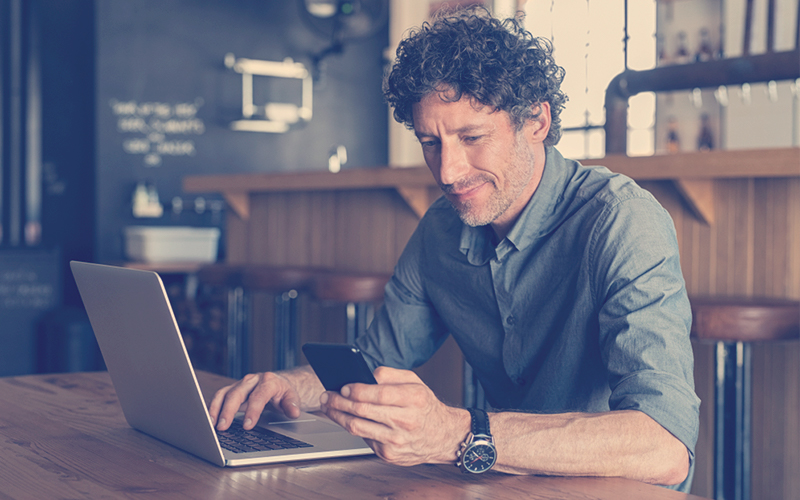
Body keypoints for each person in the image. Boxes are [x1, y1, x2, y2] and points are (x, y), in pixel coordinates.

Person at [210, 6, 700, 492]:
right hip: (507, 484)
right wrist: (289, 386)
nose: (447, 171)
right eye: (430, 142)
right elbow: (377, 359)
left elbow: (665, 446)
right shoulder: (441, 230)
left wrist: (458, 434)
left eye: (472, 137)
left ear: (536, 122)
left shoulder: (622, 221)